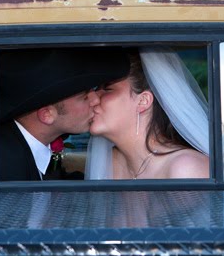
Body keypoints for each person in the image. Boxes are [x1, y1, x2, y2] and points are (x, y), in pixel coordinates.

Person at [0, 47, 129, 181]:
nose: (96, 100)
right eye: (84, 96)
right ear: (47, 115)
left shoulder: (24, 147)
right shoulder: (3, 165)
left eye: (92, 89)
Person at [85, 47, 209, 180]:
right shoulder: (111, 162)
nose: (92, 98)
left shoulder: (186, 169)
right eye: (95, 88)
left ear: (143, 101)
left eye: (107, 89)